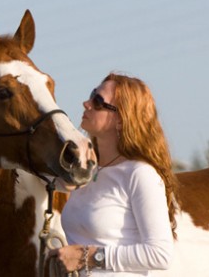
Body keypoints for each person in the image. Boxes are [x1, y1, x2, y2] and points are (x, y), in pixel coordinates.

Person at [49, 73, 178, 276]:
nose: (86, 103)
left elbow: (160, 254)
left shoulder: (139, 174)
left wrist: (88, 257)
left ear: (120, 119)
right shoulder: (89, 173)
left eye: (98, 101)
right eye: (92, 95)